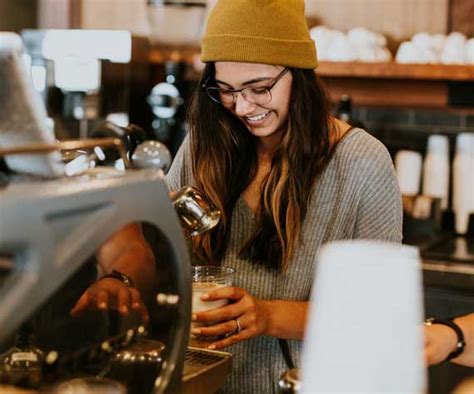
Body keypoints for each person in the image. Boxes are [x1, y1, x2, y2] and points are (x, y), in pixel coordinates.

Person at [73, 0, 402, 392]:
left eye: (259, 88)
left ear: (299, 73)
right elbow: (163, 252)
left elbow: (379, 316)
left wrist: (267, 315)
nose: (243, 107)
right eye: (226, 90)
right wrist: (122, 280)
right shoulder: (205, 146)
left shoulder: (362, 161)